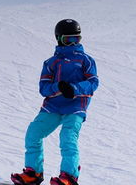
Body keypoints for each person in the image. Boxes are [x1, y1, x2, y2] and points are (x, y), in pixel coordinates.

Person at [11, 19, 99, 185]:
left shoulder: (86, 60)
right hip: (53, 106)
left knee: (67, 138)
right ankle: (33, 173)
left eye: (76, 39)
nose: (73, 43)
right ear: (59, 39)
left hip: (75, 107)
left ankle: (69, 176)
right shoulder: (51, 63)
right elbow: (44, 88)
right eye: (68, 39)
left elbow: (93, 82)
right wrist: (58, 87)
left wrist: (74, 89)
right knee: (33, 134)